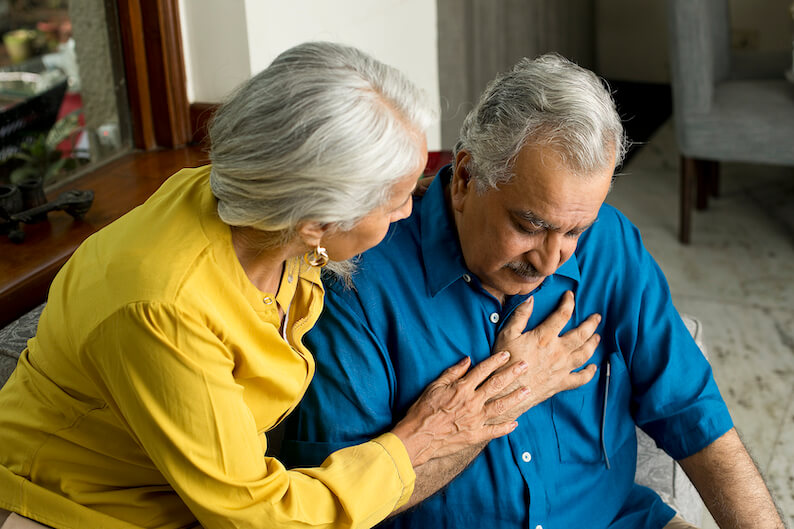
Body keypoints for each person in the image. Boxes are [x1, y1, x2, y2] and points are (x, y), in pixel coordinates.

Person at [0, 42, 602, 529]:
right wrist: (424, 438)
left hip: (186, 495)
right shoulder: (165, 308)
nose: (411, 212)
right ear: (317, 222)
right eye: (396, 200)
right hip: (77, 508)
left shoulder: (266, 209)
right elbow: (262, 520)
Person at [280, 54, 785, 529]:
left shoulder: (610, 242)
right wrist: (508, 395)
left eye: (573, 232)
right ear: (466, 178)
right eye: (529, 225)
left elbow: (692, 412)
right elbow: (341, 505)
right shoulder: (359, 282)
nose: (549, 260)